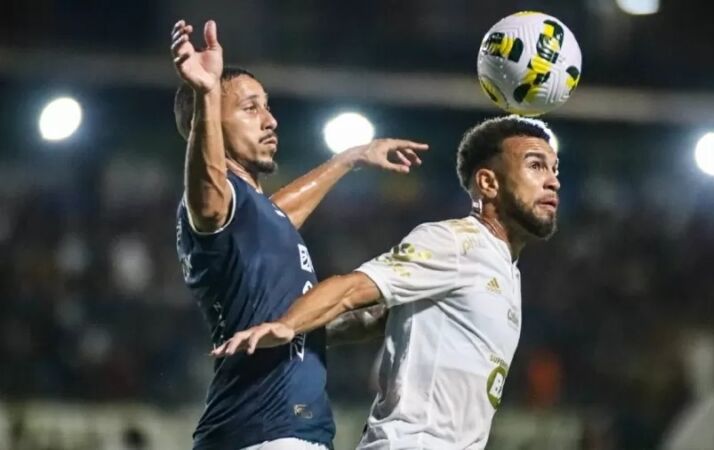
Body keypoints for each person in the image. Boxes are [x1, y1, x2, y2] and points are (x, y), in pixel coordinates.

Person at [214, 115, 562, 449]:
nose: (553, 180)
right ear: (488, 183)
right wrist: (286, 325)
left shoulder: (504, 269)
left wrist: (311, 333)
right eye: (536, 165)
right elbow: (353, 289)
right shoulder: (457, 242)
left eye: (554, 168)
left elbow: (377, 317)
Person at [170, 19, 427, 450]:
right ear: (212, 123)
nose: (270, 120)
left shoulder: (258, 214)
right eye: (250, 108)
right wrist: (206, 93)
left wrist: (351, 158)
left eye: (267, 106)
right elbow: (209, 186)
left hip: (268, 433)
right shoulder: (215, 200)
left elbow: (280, 211)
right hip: (265, 433)